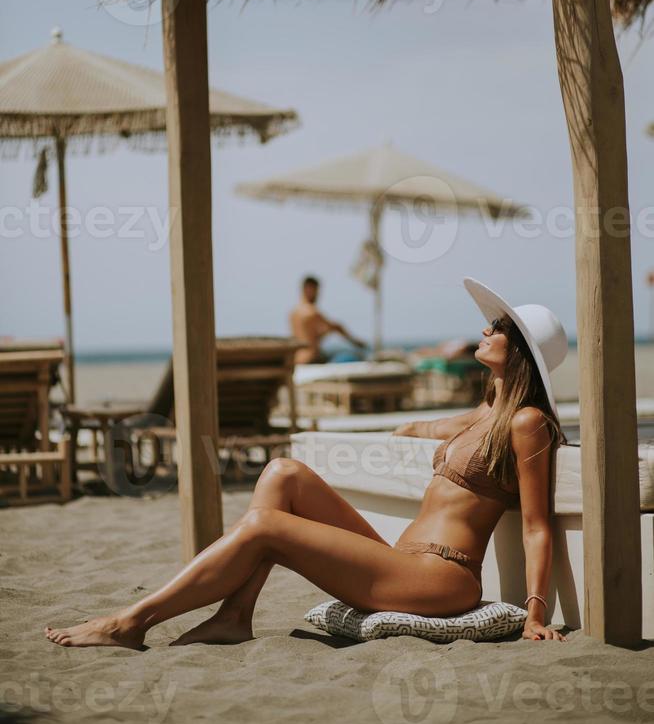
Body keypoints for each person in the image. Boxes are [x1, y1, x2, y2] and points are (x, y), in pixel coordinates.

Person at [45, 277, 568, 649]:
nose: (484, 331)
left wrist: (535, 613)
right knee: (282, 473)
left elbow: (537, 526)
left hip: (441, 578)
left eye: (496, 327)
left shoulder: (526, 424)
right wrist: (407, 428)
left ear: (519, 349)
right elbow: (426, 428)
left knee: (266, 526)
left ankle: (132, 621)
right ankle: (235, 614)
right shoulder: (483, 413)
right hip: (401, 559)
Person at [289, 274, 366, 364]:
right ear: (310, 289)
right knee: (349, 358)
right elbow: (336, 327)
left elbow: (306, 337)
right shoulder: (312, 312)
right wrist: (355, 342)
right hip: (311, 358)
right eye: (317, 292)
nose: (318, 295)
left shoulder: (293, 313)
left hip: (297, 359)